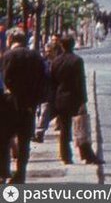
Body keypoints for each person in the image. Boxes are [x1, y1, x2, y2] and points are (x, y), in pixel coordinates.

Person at [1, 28, 47, 183]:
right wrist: (34, 101)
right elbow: (44, 80)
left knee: (4, 139)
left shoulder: (8, 56)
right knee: (24, 140)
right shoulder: (36, 56)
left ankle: (4, 172)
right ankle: (21, 173)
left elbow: (7, 78)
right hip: (29, 106)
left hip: (10, 105)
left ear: (10, 40)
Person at [49, 36, 86, 165]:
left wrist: (52, 101)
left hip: (60, 98)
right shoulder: (77, 61)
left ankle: (65, 155)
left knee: (64, 129)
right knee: (80, 128)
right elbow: (81, 82)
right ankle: (85, 153)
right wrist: (83, 101)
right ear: (73, 44)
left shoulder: (55, 61)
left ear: (61, 46)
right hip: (74, 98)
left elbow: (52, 83)